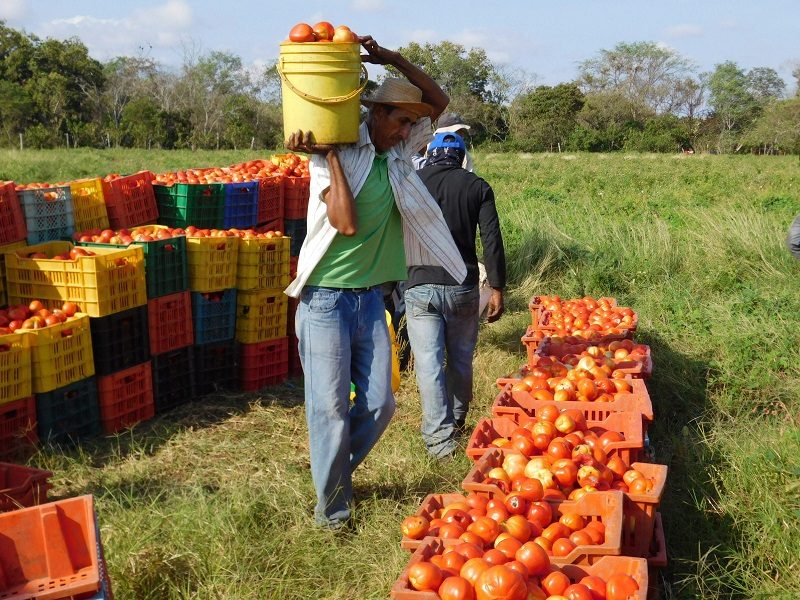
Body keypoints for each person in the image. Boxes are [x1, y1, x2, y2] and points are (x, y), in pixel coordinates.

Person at [284, 35, 467, 529]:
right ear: (375, 115)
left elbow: (439, 102)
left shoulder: (399, 152)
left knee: (381, 403)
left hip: (370, 300)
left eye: (412, 123)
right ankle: (333, 514)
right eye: (400, 120)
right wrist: (333, 157)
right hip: (324, 300)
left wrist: (390, 59)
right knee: (329, 409)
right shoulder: (334, 151)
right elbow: (344, 222)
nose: (409, 129)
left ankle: (333, 475)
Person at [404, 131, 506, 458]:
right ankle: (459, 420)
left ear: (430, 154)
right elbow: (491, 240)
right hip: (462, 286)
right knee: (460, 358)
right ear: (462, 158)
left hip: (420, 286)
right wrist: (497, 288)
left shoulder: (413, 183)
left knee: (429, 364)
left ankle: (440, 443)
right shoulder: (477, 187)